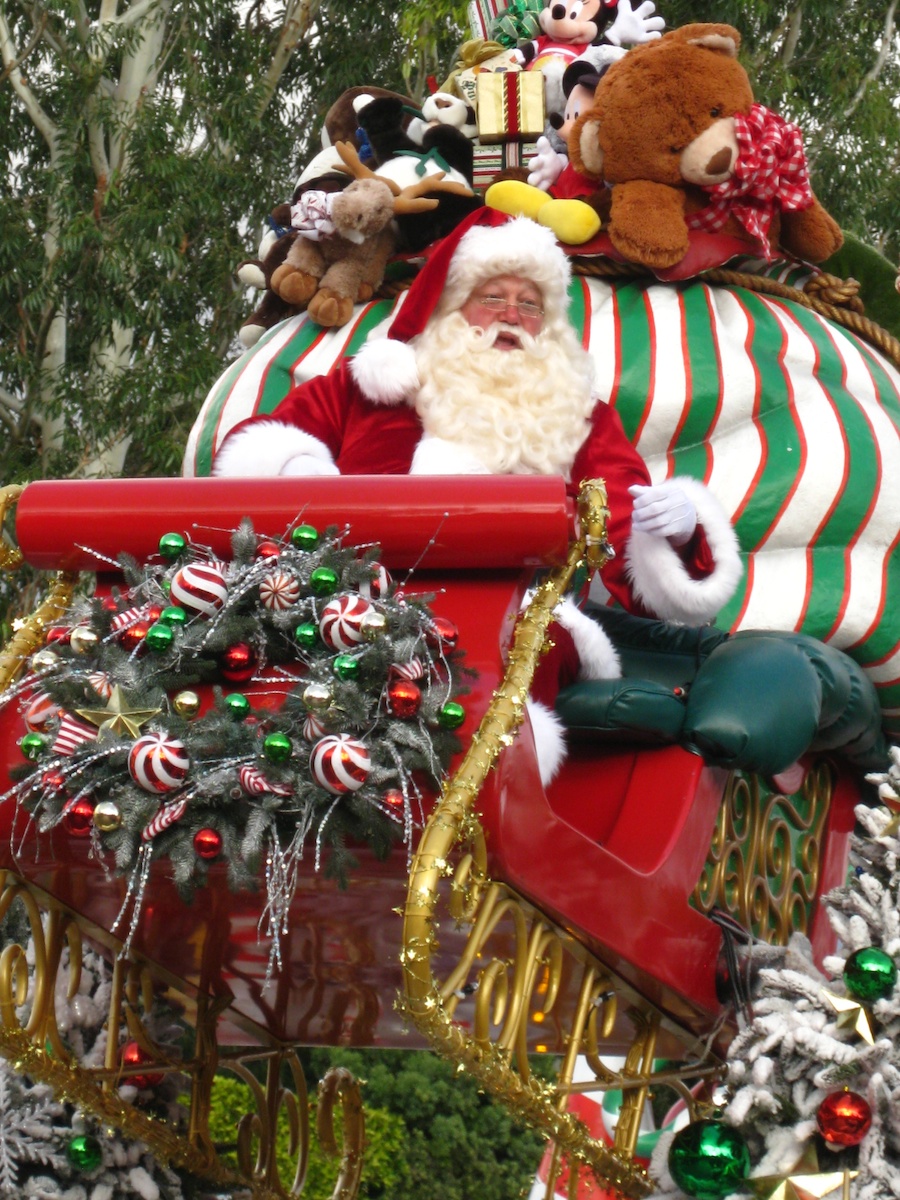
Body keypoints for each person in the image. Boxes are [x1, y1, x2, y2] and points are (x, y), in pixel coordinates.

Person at [213, 208, 742, 781]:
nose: (512, 316)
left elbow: (621, 535)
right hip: (346, 598)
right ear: (453, 305)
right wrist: (297, 468)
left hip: (514, 619)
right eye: (492, 297)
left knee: (511, 661)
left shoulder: (579, 419)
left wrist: (679, 531)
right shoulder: (369, 389)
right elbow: (252, 447)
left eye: (530, 303)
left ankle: (486, 807)